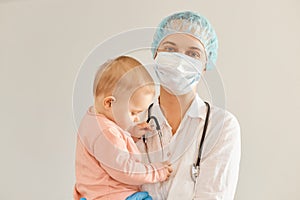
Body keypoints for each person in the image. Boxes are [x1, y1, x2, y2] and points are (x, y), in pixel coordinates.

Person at [133, 11, 241, 199]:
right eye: (170, 49)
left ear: (205, 65)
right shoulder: (132, 122)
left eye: (193, 53)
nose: (180, 60)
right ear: (155, 53)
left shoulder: (221, 126)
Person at [73, 56, 172, 200]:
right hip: (114, 196)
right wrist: (157, 171)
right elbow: (124, 170)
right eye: (133, 112)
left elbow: (110, 152)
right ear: (109, 103)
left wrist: (131, 135)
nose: (137, 118)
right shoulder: (107, 132)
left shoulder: (93, 120)